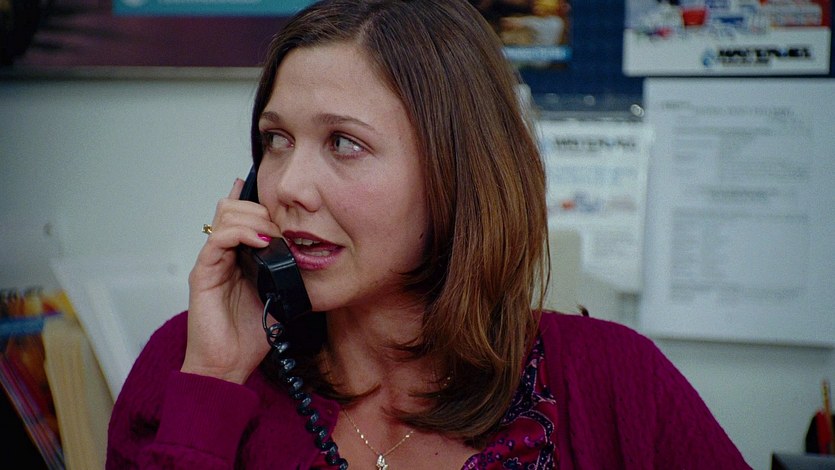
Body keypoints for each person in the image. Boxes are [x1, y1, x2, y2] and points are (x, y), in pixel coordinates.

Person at [106, 1, 751, 468]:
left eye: (344, 143)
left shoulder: (614, 380)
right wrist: (214, 382)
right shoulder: (188, 361)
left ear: (457, 174)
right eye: (276, 140)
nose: (288, 186)